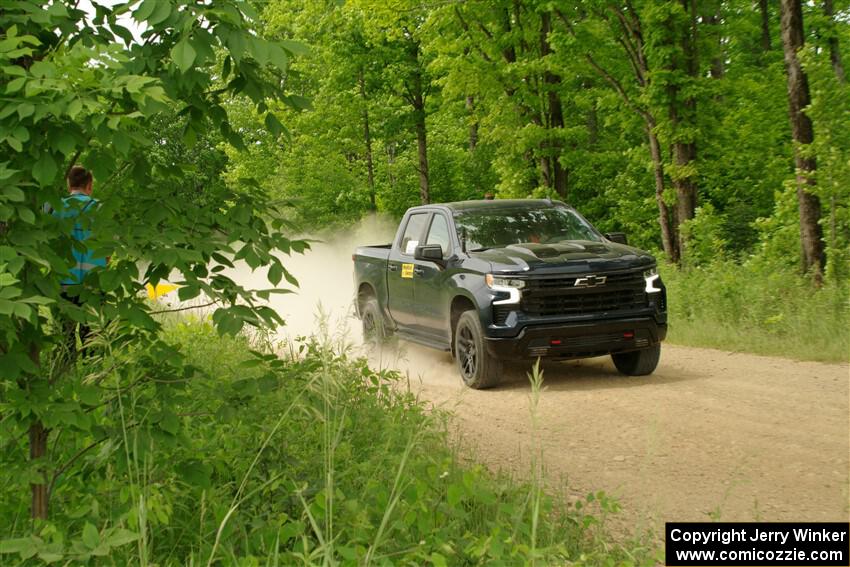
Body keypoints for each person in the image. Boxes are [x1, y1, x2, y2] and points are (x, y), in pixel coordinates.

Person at [53, 166, 107, 358]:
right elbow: (109, 246)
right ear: (89, 185)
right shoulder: (100, 208)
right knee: (92, 332)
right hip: (93, 282)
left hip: (63, 279)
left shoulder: (56, 207)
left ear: (69, 184)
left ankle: (64, 371)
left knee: (65, 332)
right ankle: (92, 375)